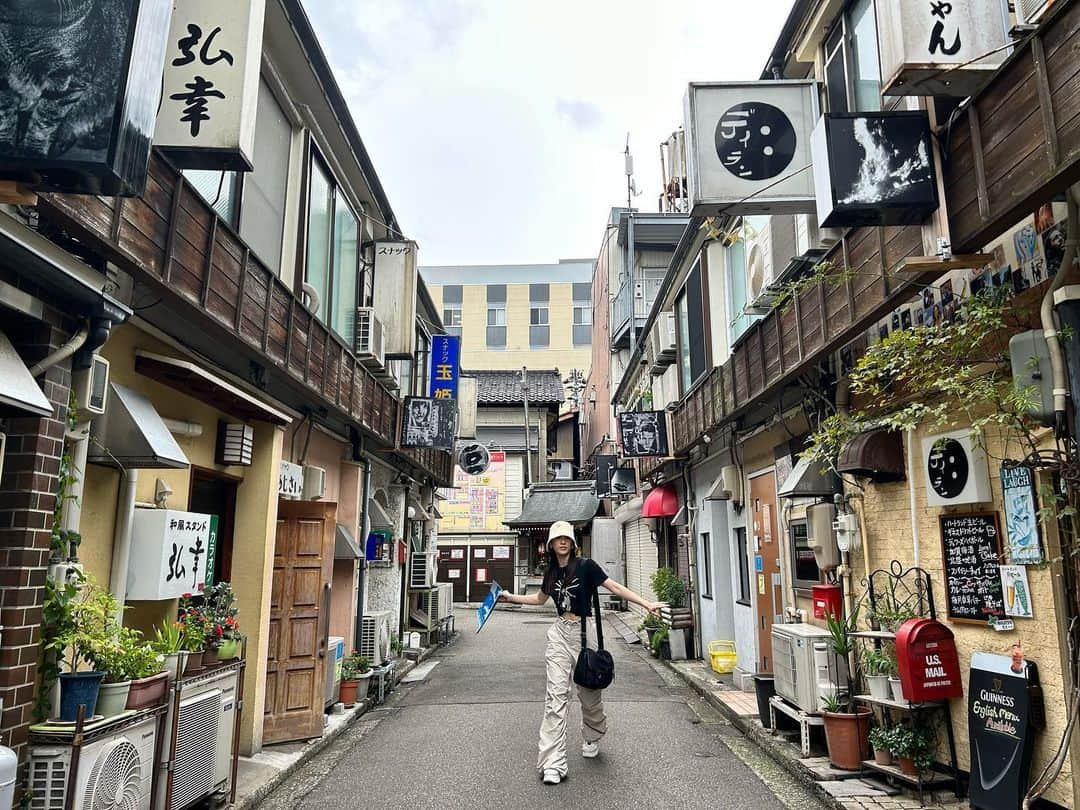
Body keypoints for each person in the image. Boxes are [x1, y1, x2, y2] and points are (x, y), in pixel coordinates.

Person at [499, 520, 663, 785]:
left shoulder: (586, 566)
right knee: (555, 697)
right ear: (551, 544)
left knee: (589, 693)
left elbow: (614, 587)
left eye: (567, 538)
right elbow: (540, 599)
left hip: (583, 635)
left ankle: (593, 733)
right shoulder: (551, 571)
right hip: (559, 634)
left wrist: (646, 603)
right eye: (558, 538)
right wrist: (510, 597)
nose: (562, 542)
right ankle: (553, 762)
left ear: (572, 543)